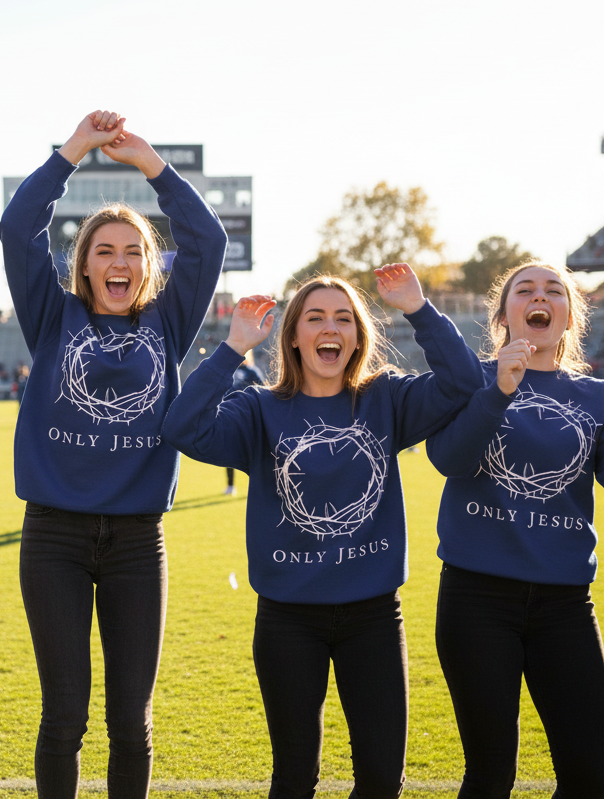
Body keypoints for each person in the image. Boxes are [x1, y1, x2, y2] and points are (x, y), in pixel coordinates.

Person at [163, 269, 484, 799]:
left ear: (357, 337)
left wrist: (419, 309)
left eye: (343, 319)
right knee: (295, 779)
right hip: (288, 620)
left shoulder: (386, 398)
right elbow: (182, 427)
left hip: (374, 617)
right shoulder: (259, 408)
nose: (329, 328)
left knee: (382, 779)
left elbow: (464, 383)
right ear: (293, 336)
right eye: (315, 318)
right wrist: (233, 348)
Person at [0, 110, 228, 798]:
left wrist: (152, 164)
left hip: (136, 541)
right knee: (64, 715)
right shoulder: (52, 316)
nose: (119, 262)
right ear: (84, 264)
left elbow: (208, 239)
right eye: (104, 251)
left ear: (150, 266)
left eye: (133, 251)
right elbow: (17, 229)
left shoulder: (169, 321)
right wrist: (73, 150)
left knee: (131, 721)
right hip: (54, 537)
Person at [424, 261, 604, 799]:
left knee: (587, 778)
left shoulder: (598, 397)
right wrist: (498, 391)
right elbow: (449, 459)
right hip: (476, 601)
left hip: (565, 605)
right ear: (503, 315)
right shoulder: (473, 379)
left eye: (554, 290)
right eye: (525, 290)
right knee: (490, 776)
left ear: (570, 316)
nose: (540, 297)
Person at [223, 348, 264, 495]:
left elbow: (264, 391)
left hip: (249, 418)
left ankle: (258, 485)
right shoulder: (229, 371)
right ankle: (230, 486)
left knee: (254, 454)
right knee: (229, 452)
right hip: (231, 417)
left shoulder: (253, 372)